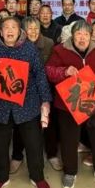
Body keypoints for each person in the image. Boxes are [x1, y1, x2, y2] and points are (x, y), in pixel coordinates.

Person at [0, 16, 53, 188]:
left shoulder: (29, 48)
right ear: (1, 32)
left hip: (27, 104)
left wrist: (45, 100)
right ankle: (1, 177)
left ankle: (38, 177)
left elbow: (40, 74)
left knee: (34, 144)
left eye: (14, 27)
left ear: (19, 32)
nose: (10, 30)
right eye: (6, 28)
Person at [45, 20, 95, 188]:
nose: (82, 38)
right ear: (72, 35)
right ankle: (70, 172)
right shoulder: (60, 50)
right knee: (69, 139)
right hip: (68, 103)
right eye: (78, 34)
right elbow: (49, 71)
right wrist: (64, 71)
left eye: (86, 34)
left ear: (91, 36)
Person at [10, 17, 60, 173]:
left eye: (36, 28)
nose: (33, 32)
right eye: (29, 28)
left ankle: (52, 154)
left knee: (49, 123)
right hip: (23, 91)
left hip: (46, 88)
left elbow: (53, 66)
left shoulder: (49, 43)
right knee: (20, 123)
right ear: (23, 31)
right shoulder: (16, 45)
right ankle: (17, 156)